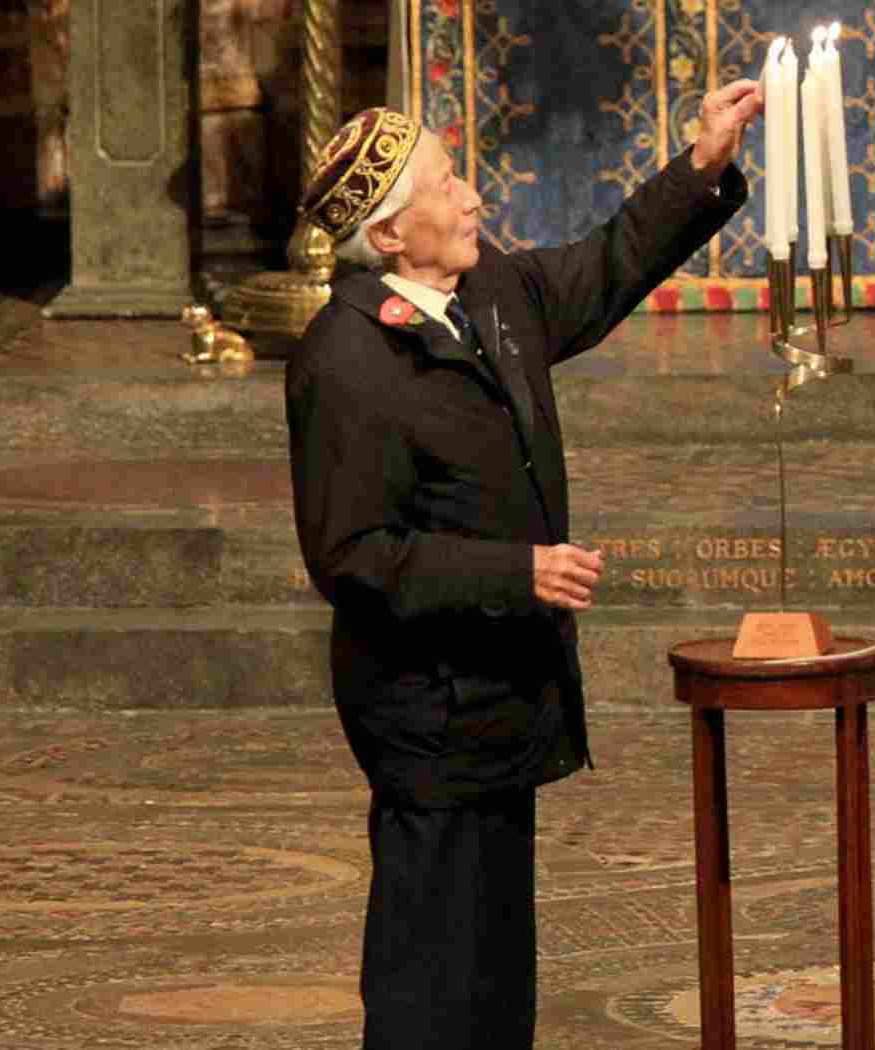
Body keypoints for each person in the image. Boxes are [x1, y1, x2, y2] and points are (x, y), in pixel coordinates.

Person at [285, 79, 763, 1050]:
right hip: (428, 710)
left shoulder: (489, 290)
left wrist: (701, 163)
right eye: (446, 185)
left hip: (504, 698)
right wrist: (518, 574)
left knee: (495, 985)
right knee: (431, 987)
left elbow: (604, 264)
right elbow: (353, 555)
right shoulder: (345, 363)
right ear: (386, 239)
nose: (470, 198)